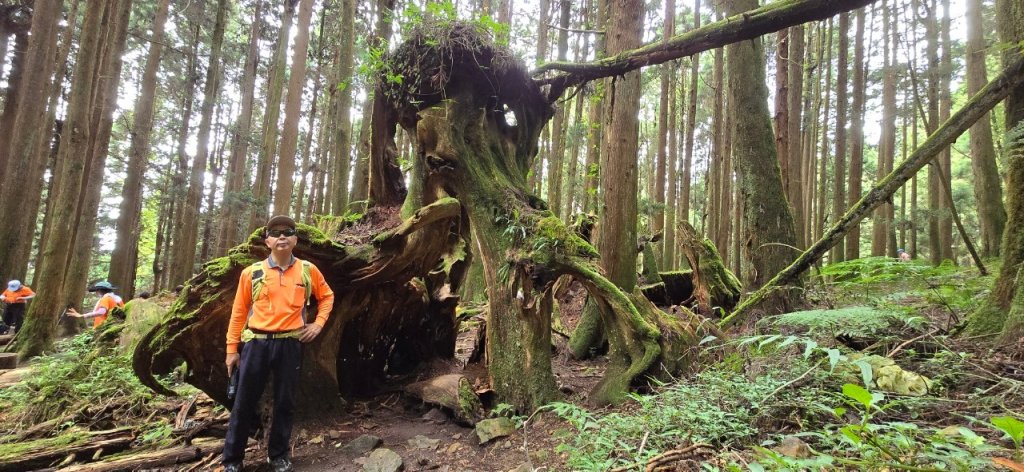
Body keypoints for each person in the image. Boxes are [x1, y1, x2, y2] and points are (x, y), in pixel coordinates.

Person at [222, 215, 335, 472]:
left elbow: (327, 296)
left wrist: (318, 324)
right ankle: (232, 460)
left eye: (288, 231)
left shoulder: (308, 270)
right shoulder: (251, 273)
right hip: (256, 344)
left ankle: (279, 456)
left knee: (286, 401)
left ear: (296, 239)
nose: (281, 236)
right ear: (267, 241)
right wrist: (231, 350)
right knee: (243, 401)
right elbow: (238, 312)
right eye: (275, 232)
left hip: (289, 344)